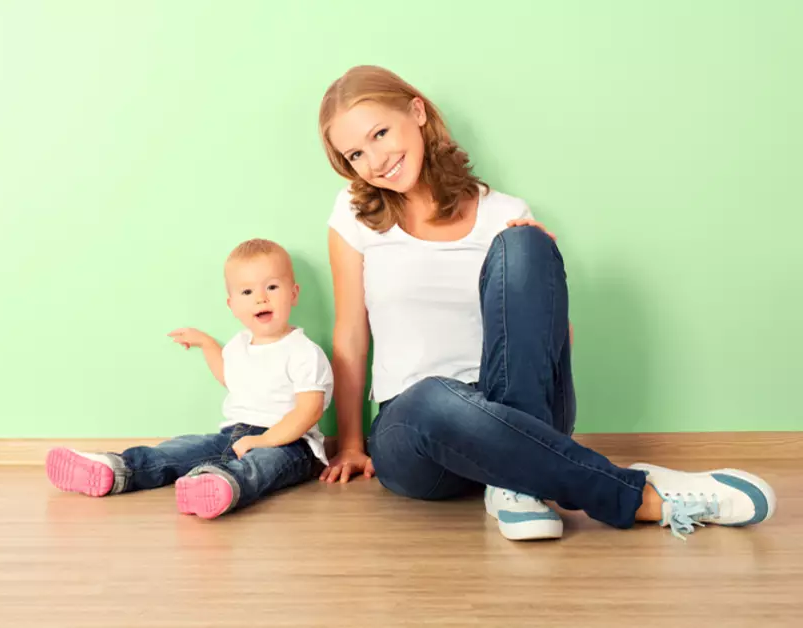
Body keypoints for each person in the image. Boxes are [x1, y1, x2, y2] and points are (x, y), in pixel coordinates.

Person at [316, 65, 775, 541]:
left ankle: (514, 486)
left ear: (417, 112)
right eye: (355, 153)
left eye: (380, 133)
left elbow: (552, 347)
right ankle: (640, 497)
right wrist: (350, 442)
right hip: (415, 433)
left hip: (518, 404)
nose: (375, 160)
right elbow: (351, 332)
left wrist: (540, 275)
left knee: (527, 246)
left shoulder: (505, 213)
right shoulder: (353, 214)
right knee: (431, 396)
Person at [45, 238, 333, 519]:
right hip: (232, 434)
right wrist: (208, 344)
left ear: (293, 293)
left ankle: (220, 484)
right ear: (232, 305)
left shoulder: (304, 351)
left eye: (272, 287)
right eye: (247, 292)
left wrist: (266, 440)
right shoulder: (238, 345)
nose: (261, 297)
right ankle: (119, 468)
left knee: (262, 466)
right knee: (182, 449)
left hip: (290, 443)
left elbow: (309, 410)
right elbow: (231, 378)